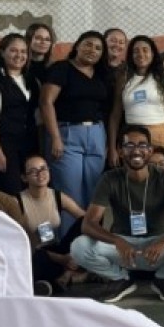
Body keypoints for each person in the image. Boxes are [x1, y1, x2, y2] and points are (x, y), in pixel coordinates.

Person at [71, 125, 164, 304]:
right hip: (123, 247)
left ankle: (163, 279)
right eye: (129, 145)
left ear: (150, 150)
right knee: (79, 246)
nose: (136, 151)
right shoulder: (109, 179)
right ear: (120, 151)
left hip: (158, 246)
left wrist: (162, 242)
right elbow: (88, 224)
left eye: (142, 145)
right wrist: (117, 241)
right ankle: (120, 279)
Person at [40, 30, 114, 211]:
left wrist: (105, 141)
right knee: (69, 193)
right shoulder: (62, 68)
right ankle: (69, 231)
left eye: (98, 48)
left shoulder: (102, 74)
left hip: (97, 135)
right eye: (88, 44)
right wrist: (55, 137)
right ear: (77, 46)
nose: (92, 50)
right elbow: (46, 102)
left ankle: (92, 230)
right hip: (67, 134)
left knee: (95, 193)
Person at [109, 35, 164, 169]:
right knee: (135, 175)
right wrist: (112, 148)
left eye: (145, 50)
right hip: (132, 136)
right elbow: (115, 115)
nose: (141, 54)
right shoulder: (124, 78)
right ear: (131, 55)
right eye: (136, 51)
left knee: (160, 177)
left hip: (161, 135)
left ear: (153, 53)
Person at [16, 153, 88, 296]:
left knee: (88, 222)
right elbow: (23, 244)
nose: (40, 174)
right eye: (33, 171)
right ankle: (63, 278)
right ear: (24, 177)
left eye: (43, 168)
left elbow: (85, 218)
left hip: (57, 247)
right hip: (35, 252)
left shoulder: (56, 196)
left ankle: (62, 277)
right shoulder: (17, 201)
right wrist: (62, 259)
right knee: (37, 260)